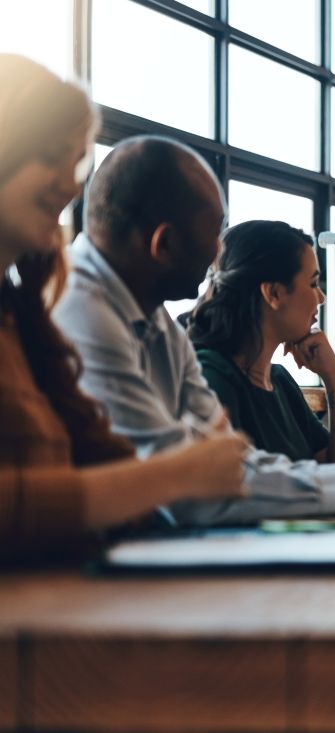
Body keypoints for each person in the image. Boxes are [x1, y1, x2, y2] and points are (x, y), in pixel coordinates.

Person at [54, 135, 335, 524]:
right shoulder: (82, 314)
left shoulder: (158, 324)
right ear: (165, 243)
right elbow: (178, 484)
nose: (218, 256)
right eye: (213, 234)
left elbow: (229, 464)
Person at [0, 54, 247, 563]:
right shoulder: (69, 308)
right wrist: (177, 472)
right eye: (51, 158)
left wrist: (176, 474)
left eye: (75, 165)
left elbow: (100, 455)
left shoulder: (22, 314)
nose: (70, 186)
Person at [187, 220, 335, 464]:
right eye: (313, 284)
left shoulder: (279, 381)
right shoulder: (210, 376)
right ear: (273, 293)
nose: (321, 298)